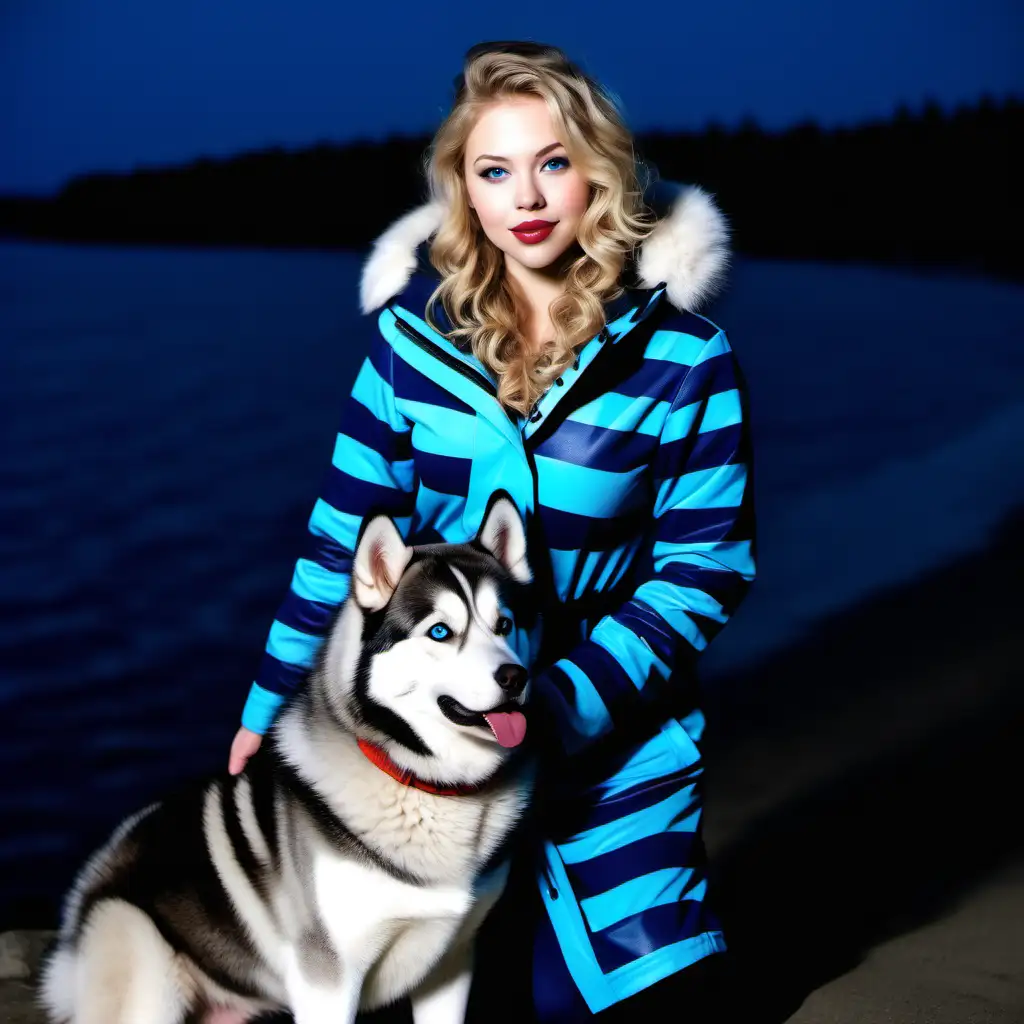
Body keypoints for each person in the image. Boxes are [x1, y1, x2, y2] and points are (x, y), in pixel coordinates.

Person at [228, 41, 755, 1023]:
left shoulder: (684, 355)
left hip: (614, 762)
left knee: (633, 998)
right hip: (430, 765)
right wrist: (266, 710)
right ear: (462, 189)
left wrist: (558, 707)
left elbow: (703, 568)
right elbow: (337, 550)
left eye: (552, 162)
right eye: (494, 169)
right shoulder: (404, 349)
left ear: (596, 169)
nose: (528, 195)